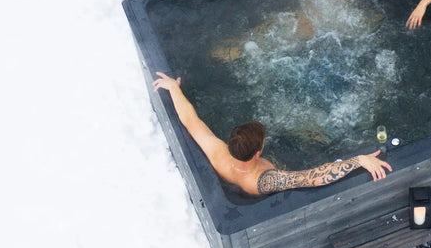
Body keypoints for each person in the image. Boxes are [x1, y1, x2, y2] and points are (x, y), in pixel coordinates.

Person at [152, 71, 391, 195]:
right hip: (260, 185)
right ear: (258, 153)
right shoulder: (265, 181)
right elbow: (313, 177)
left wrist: (174, 88)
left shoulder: (220, 154)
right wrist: (360, 160)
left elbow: (190, 121)